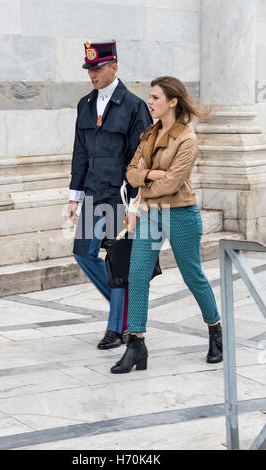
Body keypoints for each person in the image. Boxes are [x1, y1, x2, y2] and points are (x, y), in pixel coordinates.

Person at [111, 76, 223, 374]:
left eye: (156, 97)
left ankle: (215, 330)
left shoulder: (187, 138)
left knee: (193, 276)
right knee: (136, 276)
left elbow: (173, 182)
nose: (150, 102)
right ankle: (136, 344)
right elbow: (131, 172)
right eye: (150, 96)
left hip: (181, 213)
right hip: (150, 213)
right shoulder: (148, 135)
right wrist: (149, 176)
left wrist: (146, 179)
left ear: (172, 102)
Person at [68, 40, 152, 350]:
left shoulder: (134, 106)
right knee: (82, 252)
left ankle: (116, 327)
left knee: (117, 262)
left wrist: (135, 201)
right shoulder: (84, 105)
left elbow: (141, 156)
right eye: (89, 68)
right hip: (92, 192)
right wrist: (74, 194)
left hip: (119, 196)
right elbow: (80, 151)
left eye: (98, 68)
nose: (92, 74)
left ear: (114, 67)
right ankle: (129, 312)